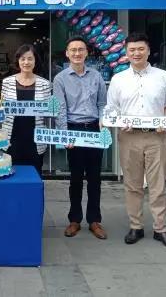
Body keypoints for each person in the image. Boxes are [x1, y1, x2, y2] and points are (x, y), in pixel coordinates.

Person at [105, 33, 166, 249]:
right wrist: (119, 122)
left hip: (156, 136)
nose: (136, 53)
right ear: (126, 53)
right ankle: (135, 226)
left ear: (148, 51)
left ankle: (161, 228)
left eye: (140, 49)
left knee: (158, 185)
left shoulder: (163, 77)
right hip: (129, 137)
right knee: (132, 184)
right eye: (132, 50)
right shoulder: (119, 79)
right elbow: (112, 109)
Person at [54, 37, 108, 240]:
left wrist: (103, 122)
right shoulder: (60, 79)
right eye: (73, 50)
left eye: (81, 49)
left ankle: (94, 220)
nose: (77, 53)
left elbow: (103, 103)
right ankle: (74, 220)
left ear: (86, 52)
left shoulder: (96, 76)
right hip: (73, 130)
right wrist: (64, 134)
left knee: (95, 178)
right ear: (67, 53)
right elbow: (60, 109)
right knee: (75, 178)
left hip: (94, 129)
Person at [1, 44, 52, 176]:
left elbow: (49, 112)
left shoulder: (45, 84)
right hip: (11, 138)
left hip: (35, 139)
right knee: (10, 175)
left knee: (34, 175)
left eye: (30, 59)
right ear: (18, 61)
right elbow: (3, 109)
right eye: (23, 59)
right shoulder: (7, 82)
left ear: (35, 61)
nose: (26, 62)